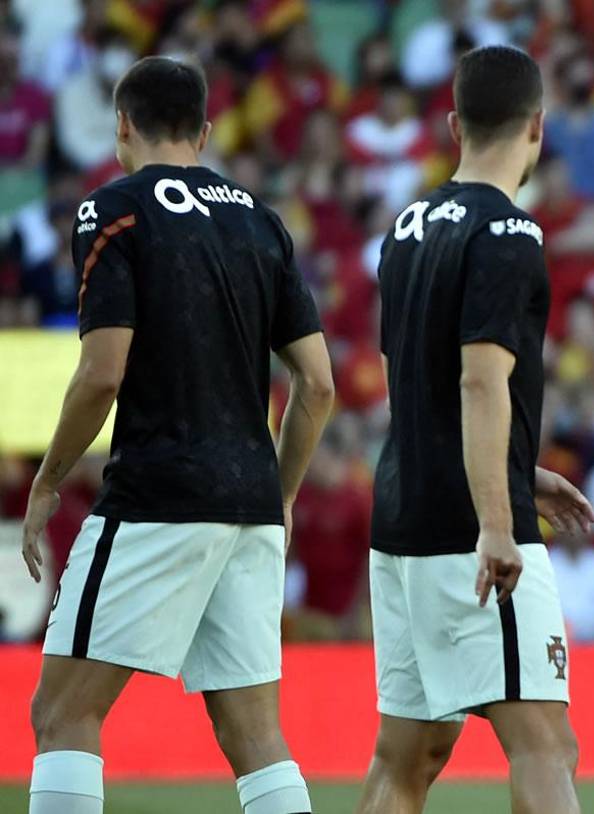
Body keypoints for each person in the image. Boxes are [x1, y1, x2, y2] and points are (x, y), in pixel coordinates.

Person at [21, 56, 333, 814]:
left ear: (121, 124)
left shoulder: (112, 210)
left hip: (159, 490)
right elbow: (318, 385)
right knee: (256, 737)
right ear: (206, 130)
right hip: (251, 503)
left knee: (63, 714)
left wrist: (49, 480)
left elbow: (102, 372)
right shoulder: (260, 220)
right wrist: (281, 493)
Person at [356, 46, 594, 814]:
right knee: (546, 744)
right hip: (470, 527)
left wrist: (519, 469)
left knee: (409, 754)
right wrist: (500, 520)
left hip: (400, 513)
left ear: (454, 123)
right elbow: (479, 380)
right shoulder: (511, 234)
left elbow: (416, 387)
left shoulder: (408, 224)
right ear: (538, 127)